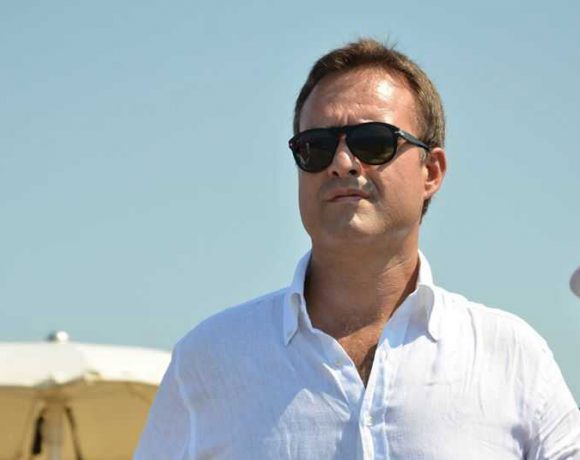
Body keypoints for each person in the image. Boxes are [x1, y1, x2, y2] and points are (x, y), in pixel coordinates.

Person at [134, 39, 580, 459]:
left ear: (431, 171)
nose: (342, 163)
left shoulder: (512, 356)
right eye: (316, 147)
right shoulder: (208, 362)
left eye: (373, 142)